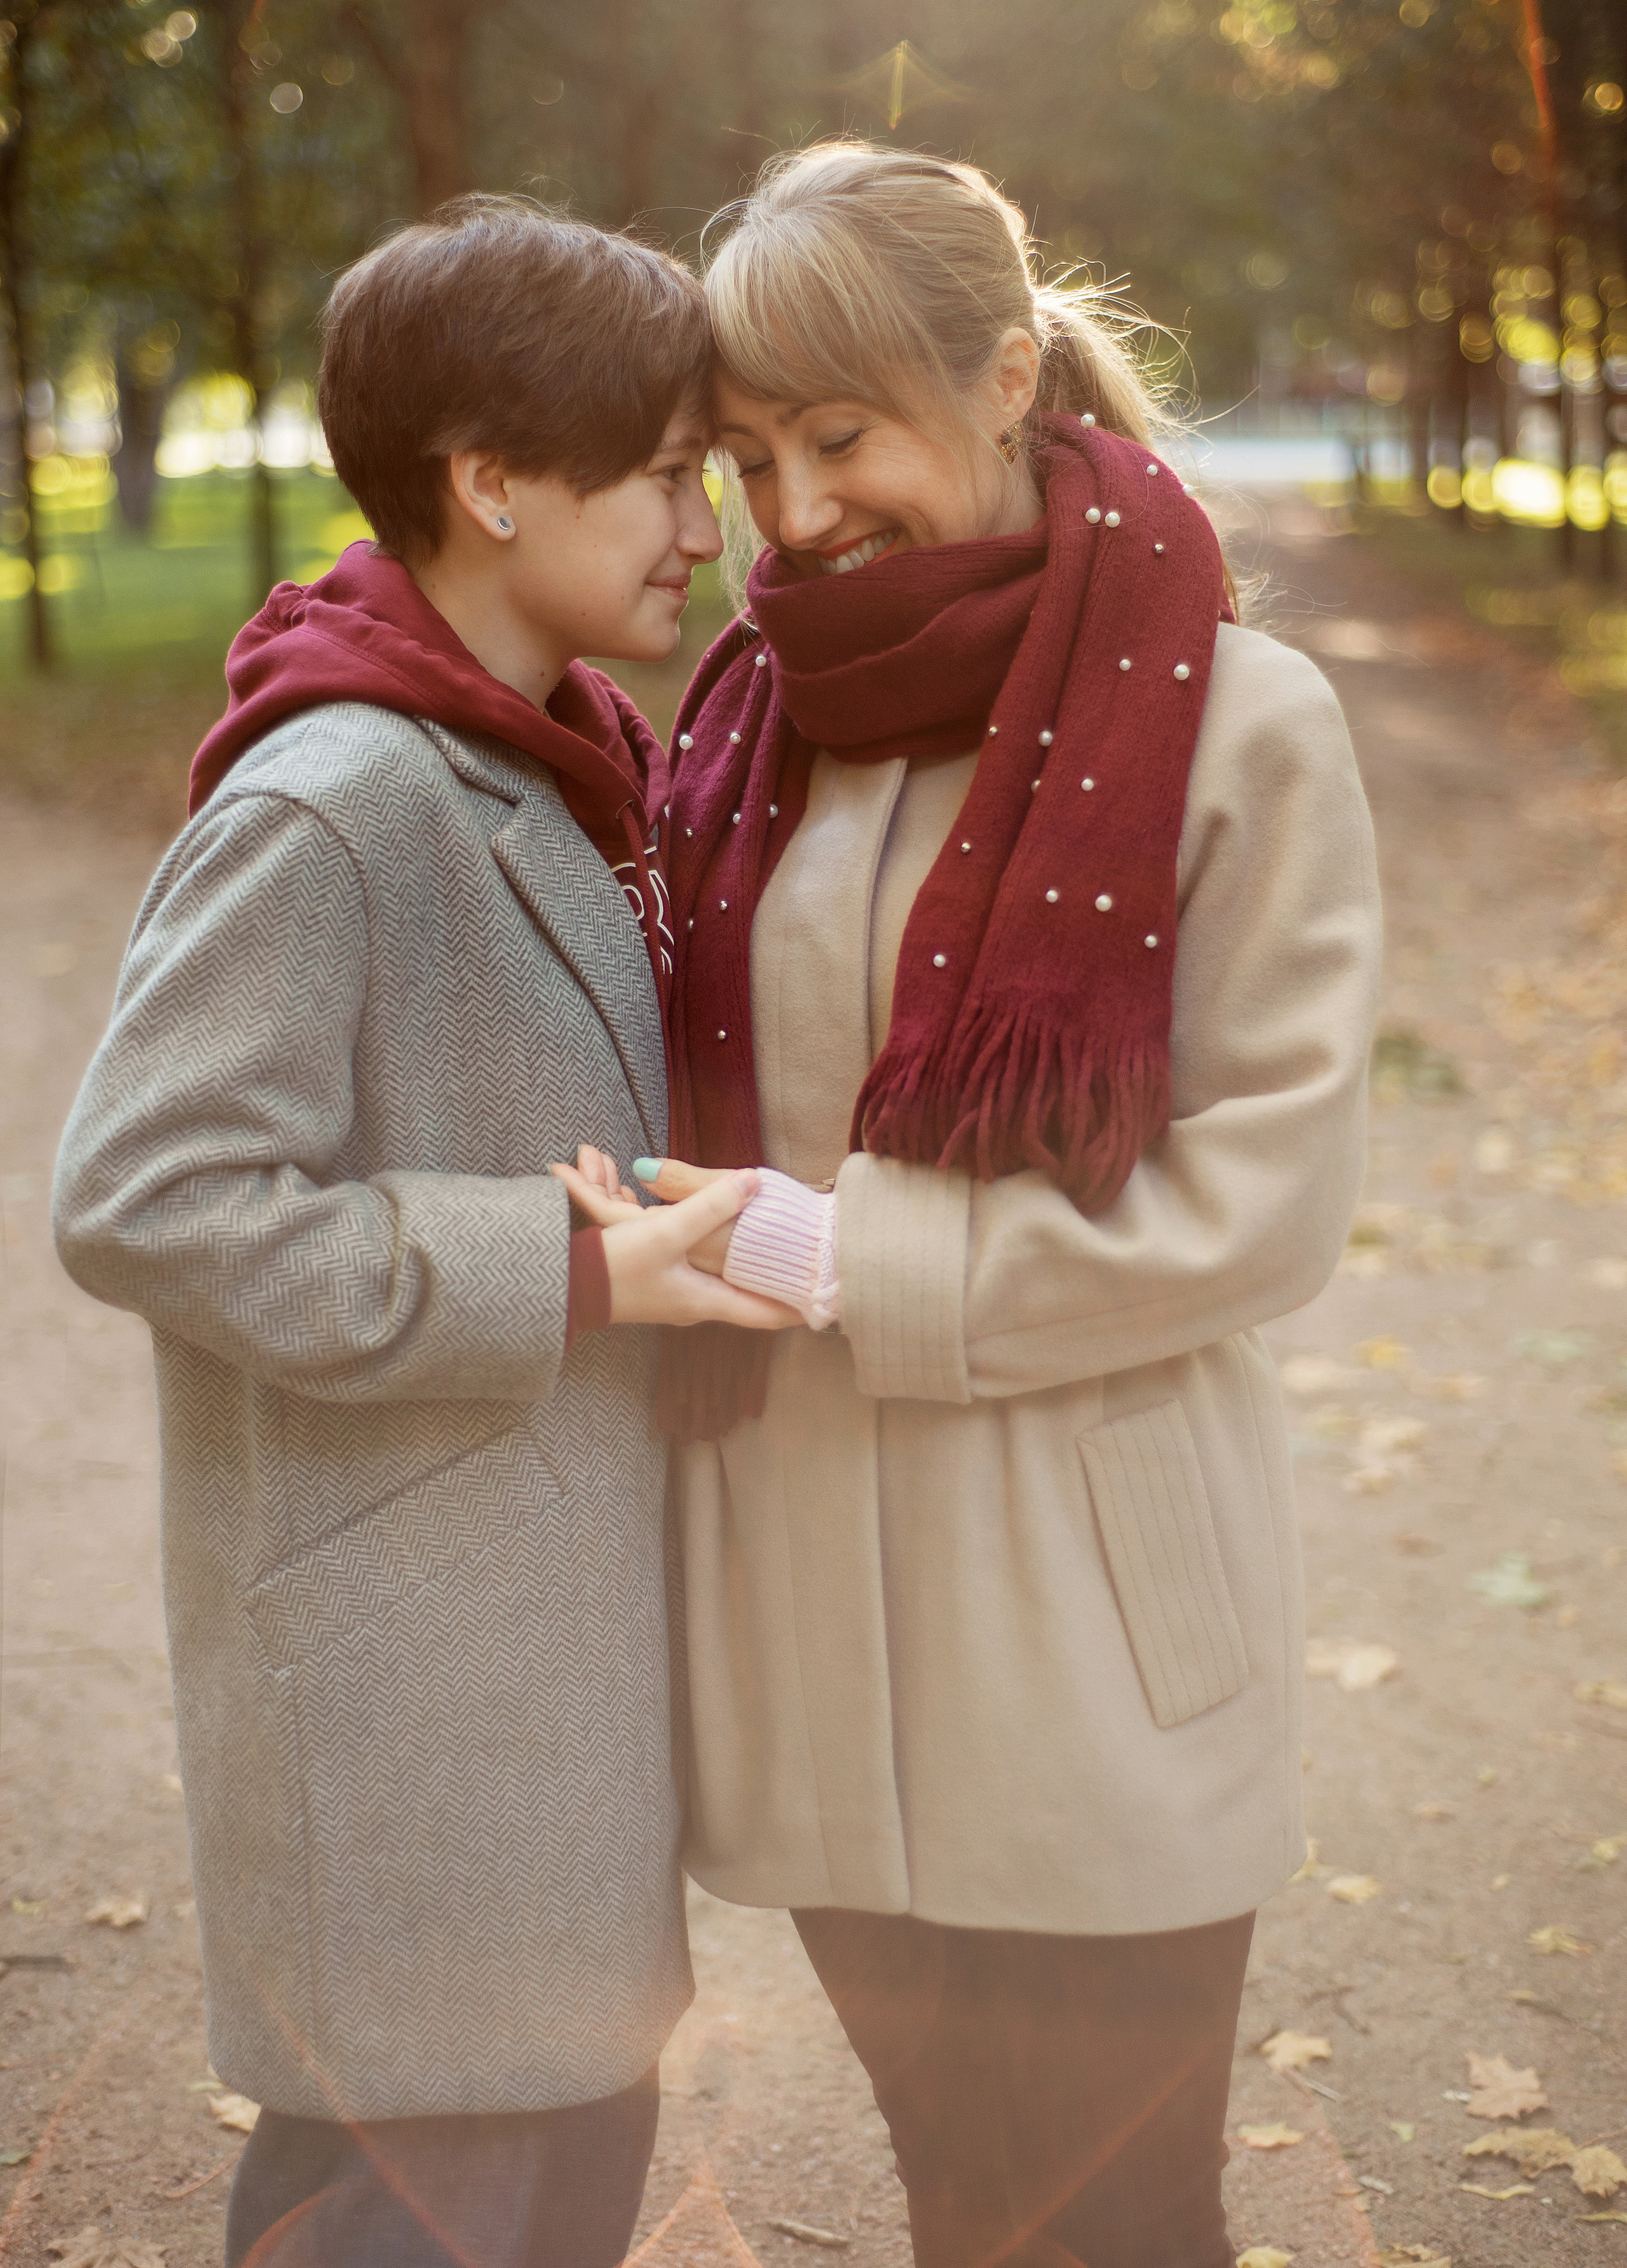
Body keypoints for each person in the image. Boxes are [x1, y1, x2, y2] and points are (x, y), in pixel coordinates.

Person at [559, 143, 1383, 2268]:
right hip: (815, 1636)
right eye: (746, 459)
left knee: (1117, 2228)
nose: (796, 513)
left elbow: (1263, 1204)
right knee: (962, 2205)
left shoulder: (1244, 725)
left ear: (1006, 373)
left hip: (1093, 1645)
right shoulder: (751, 731)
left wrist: (848, 1254)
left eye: (841, 438)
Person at [51, 195, 793, 2268]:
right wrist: (561, 1268)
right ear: (490, 481)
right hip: (411, 1717)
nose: (705, 528)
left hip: (538, 1701)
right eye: (664, 473)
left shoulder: (563, 756)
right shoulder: (340, 795)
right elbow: (144, 1195)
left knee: (553, 2188)